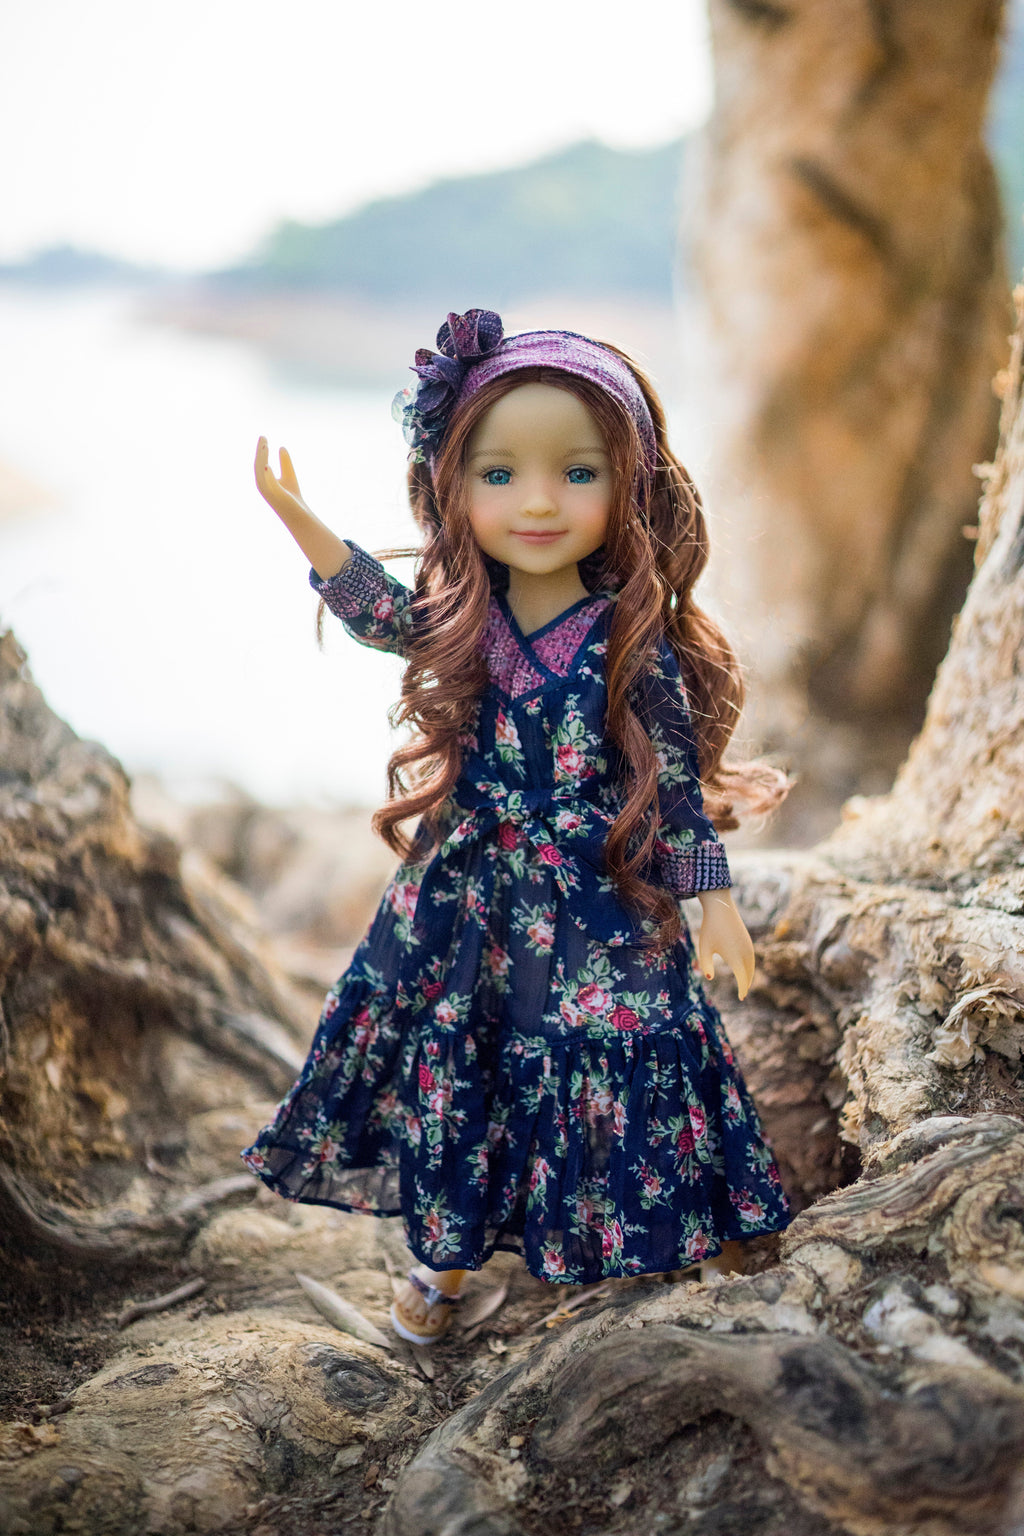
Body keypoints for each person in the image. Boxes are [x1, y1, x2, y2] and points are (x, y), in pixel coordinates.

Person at [241, 308, 791, 1345]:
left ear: (630, 486)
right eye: (498, 475)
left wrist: (713, 903)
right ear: (454, 487)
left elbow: (672, 784)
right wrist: (301, 521)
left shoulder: (632, 643)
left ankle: (677, 1232)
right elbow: (387, 619)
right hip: (465, 895)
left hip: (596, 892)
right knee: (464, 1056)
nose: (537, 501)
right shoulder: (469, 622)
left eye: (577, 474)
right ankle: (444, 1267)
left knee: (625, 1043)